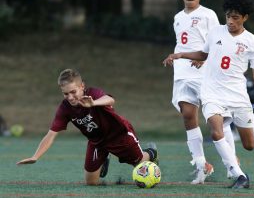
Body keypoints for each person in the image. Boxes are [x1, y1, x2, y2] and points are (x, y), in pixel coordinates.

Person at [163, 0, 254, 189]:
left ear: (245, 17)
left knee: (249, 145)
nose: (230, 21)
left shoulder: (251, 41)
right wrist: (180, 55)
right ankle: (239, 175)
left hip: (238, 95)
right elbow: (203, 55)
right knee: (215, 131)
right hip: (212, 93)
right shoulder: (215, 33)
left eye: (236, 18)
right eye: (228, 16)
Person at [17, 69, 158, 185]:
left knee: (140, 167)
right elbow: (51, 134)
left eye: (73, 92)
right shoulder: (65, 108)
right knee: (91, 183)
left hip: (119, 136)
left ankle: (151, 152)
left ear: (82, 87)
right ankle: (105, 158)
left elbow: (110, 99)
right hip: (97, 142)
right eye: (66, 94)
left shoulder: (93, 94)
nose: (70, 97)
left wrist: (94, 103)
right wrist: (35, 156)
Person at [167, 0, 235, 184]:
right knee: (188, 115)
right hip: (182, 72)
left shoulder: (208, 15)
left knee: (217, 119)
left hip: (204, 73)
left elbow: (218, 41)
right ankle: (201, 165)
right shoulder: (178, 17)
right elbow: (182, 44)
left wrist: (205, 61)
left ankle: (233, 165)